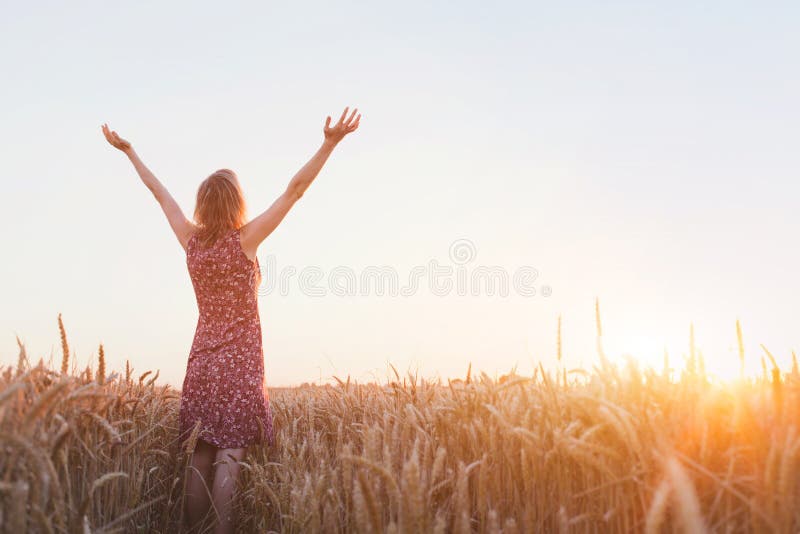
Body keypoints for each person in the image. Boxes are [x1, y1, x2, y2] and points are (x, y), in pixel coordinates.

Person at [101, 107, 361, 533]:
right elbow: (294, 191)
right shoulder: (247, 240)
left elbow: (158, 192)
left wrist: (130, 153)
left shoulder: (191, 241)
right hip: (240, 362)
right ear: (237, 203)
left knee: (201, 452)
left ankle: (189, 529)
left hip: (202, 359)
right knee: (231, 454)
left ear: (202, 204)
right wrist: (329, 144)